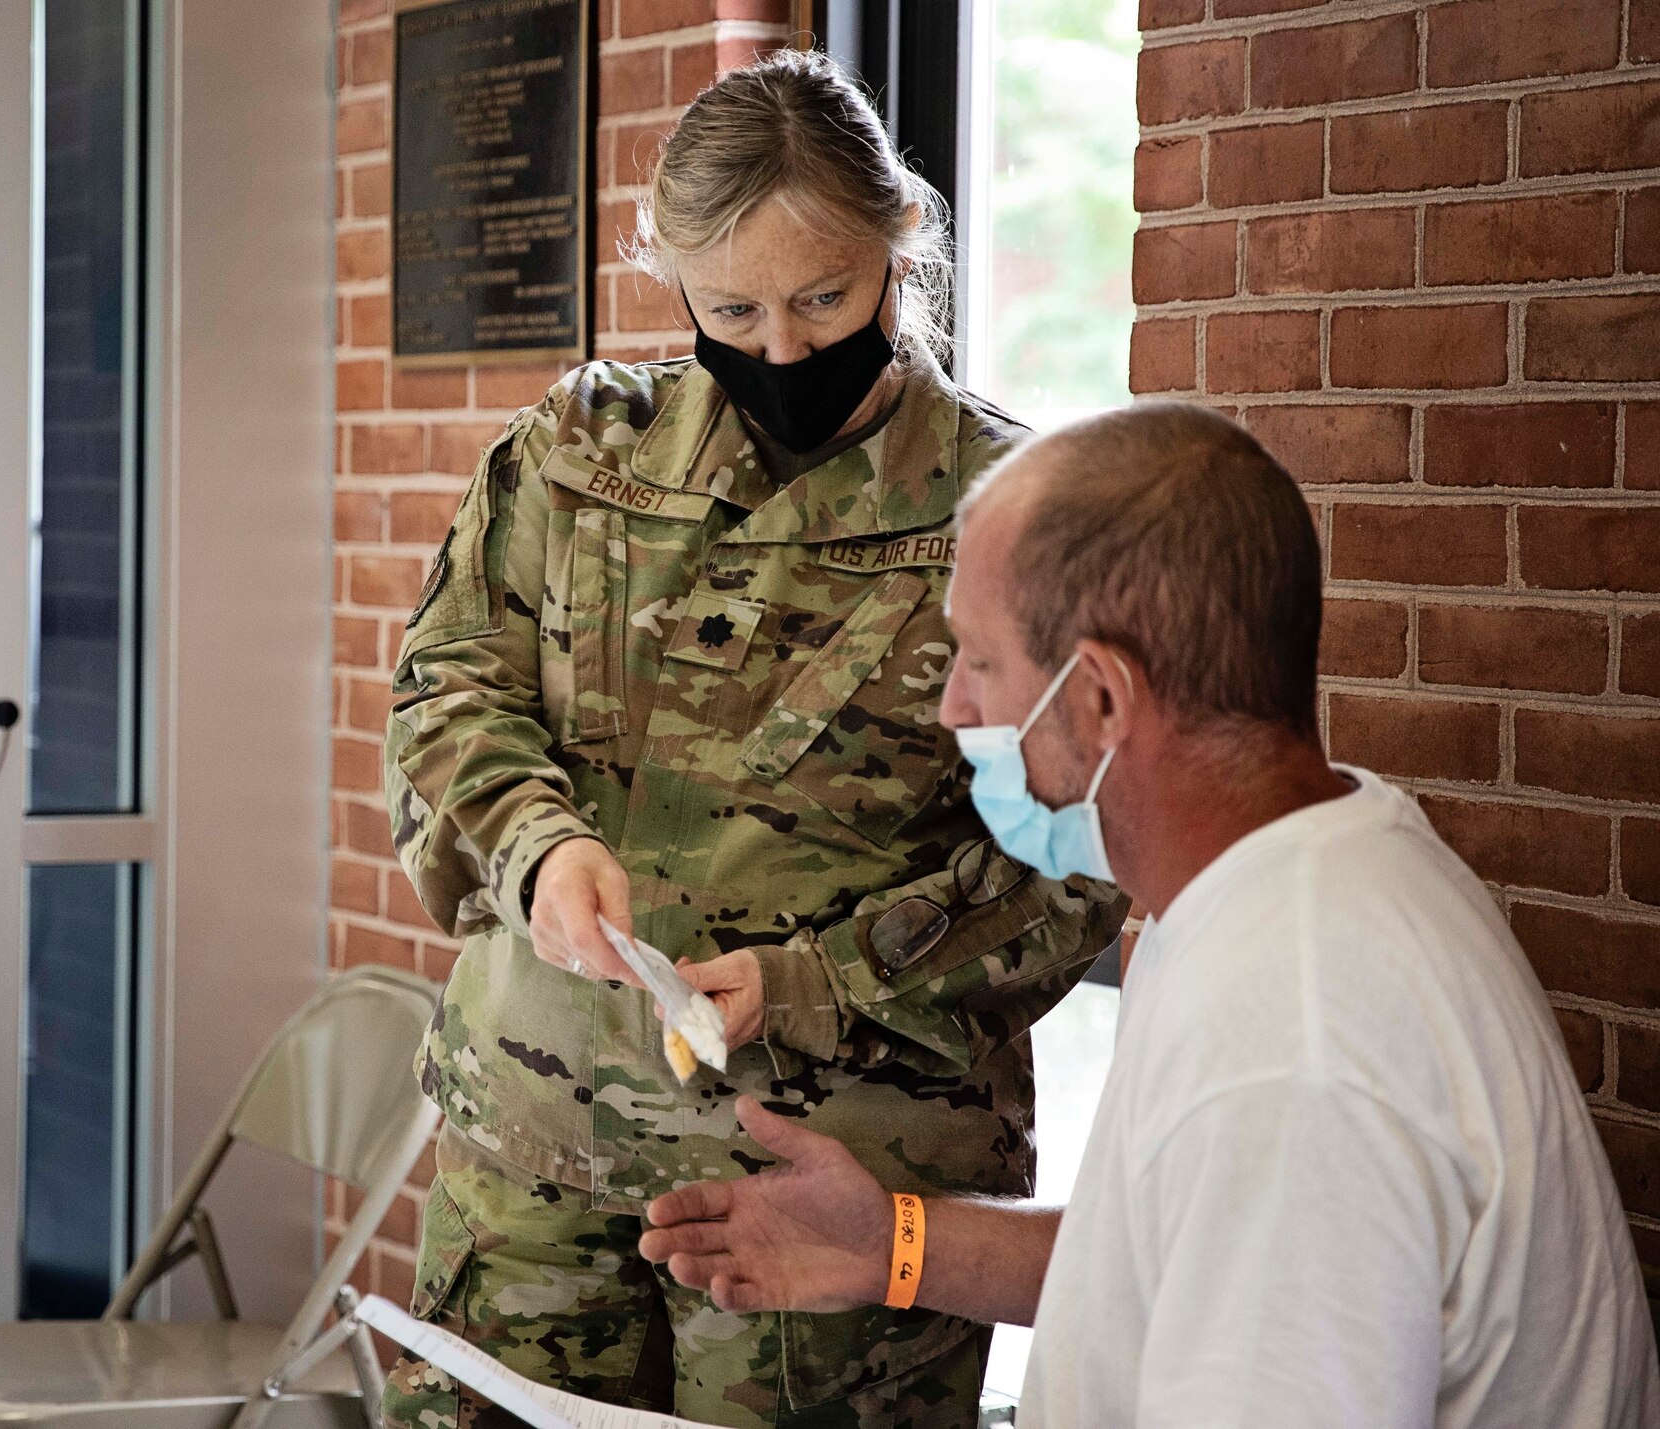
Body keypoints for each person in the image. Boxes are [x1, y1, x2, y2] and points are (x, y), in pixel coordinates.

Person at [638, 403, 1660, 1428]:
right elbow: (1174, 1257)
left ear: (1100, 701)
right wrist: (890, 1246)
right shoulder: (1284, 869)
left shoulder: (1290, 1043)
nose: (952, 709)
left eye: (978, 662)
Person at [382, 49, 1126, 1429]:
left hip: (828, 1192)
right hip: (535, 1157)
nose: (779, 349)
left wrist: (813, 981)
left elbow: (1078, 867)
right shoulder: (575, 450)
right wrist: (536, 850)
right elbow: (447, 689)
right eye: (732, 307)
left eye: (823, 298)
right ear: (671, 274)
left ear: (904, 246)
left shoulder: (1015, 507)